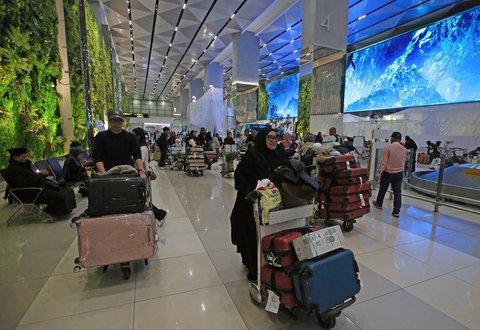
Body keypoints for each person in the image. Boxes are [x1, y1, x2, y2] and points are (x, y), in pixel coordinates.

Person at [230, 128, 289, 281]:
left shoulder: (280, 153)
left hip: (272, 202)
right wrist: (250, 192)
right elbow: (240, 174)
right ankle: (253, 266)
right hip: (251, 202)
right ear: (263, 138)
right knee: (251, 235)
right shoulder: (253, 154)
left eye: (276, 137)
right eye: (269, 137)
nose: (273, 140)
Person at [3, 147, 77, 216]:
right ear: (15, 157)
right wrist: (40, 175)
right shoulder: (12, 170)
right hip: (30, 192)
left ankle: (64, 210)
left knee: (68, 190)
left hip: (38, 187)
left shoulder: (24, 165)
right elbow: (24, 183)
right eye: (24, 156)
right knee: (60, 196)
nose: (26, 158)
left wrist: (40, 174)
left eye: (26, 156)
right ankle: (52, 211)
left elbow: (31, 177)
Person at [93, 109, 146, 180]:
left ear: (122, 122)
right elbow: (98, 157)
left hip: (127, 173)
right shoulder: (101, 137)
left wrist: (141, 171)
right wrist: (104, 175)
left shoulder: (131, 137)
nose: (116, 123)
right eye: (113, 120)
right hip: (108, 172)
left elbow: (137, 155)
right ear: (109, 121)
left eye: (119, 121)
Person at [132, 127, 168, 226]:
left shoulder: (142, 148)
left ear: (138, 136)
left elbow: (138, 162)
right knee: (142, 199)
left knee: (142, 200)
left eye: (133, 135)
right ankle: (160, 215)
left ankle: (160, 214)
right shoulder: (140, 147)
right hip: (141, 175)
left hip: (142, 176)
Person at [373, 131, 407, 218]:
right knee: (397, 192)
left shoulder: (388, 147)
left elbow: (383, 162)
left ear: (393, 138)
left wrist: (379, 173)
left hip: (388, 173)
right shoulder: (404, 149)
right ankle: (396, 211)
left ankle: (379, 203)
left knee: (383, 189)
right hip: (399, 173)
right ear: (399, 139)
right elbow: (404, 161)